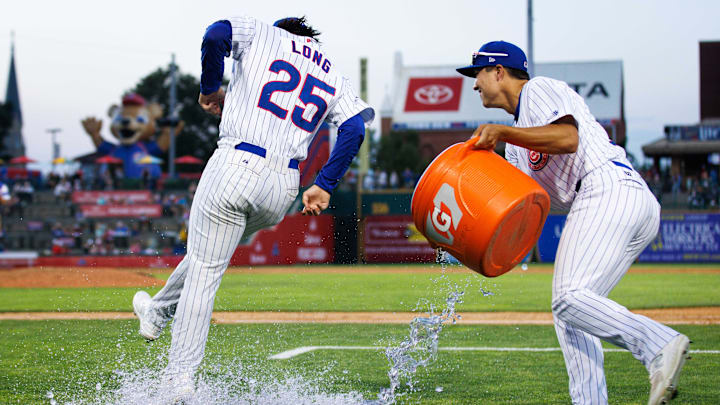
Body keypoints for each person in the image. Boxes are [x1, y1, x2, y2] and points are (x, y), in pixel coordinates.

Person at [131, 15, 374, 400]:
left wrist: (209, 88)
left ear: (283, 30)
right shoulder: (332, 74)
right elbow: (356, 128)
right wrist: (325, 184)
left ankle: (179, 377)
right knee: (208, 255)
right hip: (282, 188)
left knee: (205, 271)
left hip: (237, 162)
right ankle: (158, 310)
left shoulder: (266, 33)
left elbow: (215, 34)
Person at [456, 41, 689, 405]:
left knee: (567, 297)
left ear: (499, 72)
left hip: (607, 186)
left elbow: (568, 138)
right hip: (614, 199)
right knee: (572, 314)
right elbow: (524, 207)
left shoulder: (538, 89)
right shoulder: (517, 146)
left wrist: (502, 134)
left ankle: (658, 344)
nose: (474, 85)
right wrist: (470, 230)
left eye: (478, 74)